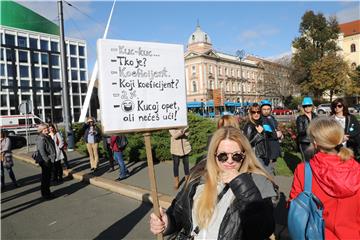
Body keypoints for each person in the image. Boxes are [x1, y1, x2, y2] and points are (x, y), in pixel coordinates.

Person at [150, 127, 276, 239]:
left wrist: (241, 184)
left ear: (245, 155)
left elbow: (262, 230)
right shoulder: (198, 177)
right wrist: (167, 223)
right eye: (223, 156)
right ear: (214, 155)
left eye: (236, 156)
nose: (230, 161)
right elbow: (178, 214)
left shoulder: (257, 181)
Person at [289, 117, 360, 239]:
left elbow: (294, 206)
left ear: (315, 143)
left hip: (316, 235)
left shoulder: (304, 171)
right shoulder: (357, 169)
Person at [243, 103, 272, 174]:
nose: (256, 114)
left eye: (258, 112)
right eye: (253, 112)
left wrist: (265, 133)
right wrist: (259, 134)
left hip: (263, 155)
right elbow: (247, 144)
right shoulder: (249, 125)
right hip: (256, 156)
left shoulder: (260, 123)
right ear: (250, 113)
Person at [260, 100, 283, 174]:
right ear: (261, 110)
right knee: (268, 168)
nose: (266, 111)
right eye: (264, 109)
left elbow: (275, 128)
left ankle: (272, 182)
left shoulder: (271, 117)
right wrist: (277, 135)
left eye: (268, 109)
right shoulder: (262, 119)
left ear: (270, 109)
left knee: (273, 167)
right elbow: (267, 133)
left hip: (275, 145)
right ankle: (269, 183)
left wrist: (281, 135)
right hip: (269, 147)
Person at [36, 123, 56, 200]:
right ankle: (45, 194)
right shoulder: (41, 138)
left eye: (47, 128)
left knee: (47, 177)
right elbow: (42, 151)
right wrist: (47, 160)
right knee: (46, 178)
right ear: (41, 130)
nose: (47, 129)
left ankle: (47, 192)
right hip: (45, 161)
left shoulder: (48, 136)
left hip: (49, 159)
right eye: (45, 128)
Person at [296, 97, 317, 161]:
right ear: (303, 107)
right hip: (305, 142)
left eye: (309, 105)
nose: (307, 107)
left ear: (312, 106)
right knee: (307, 162)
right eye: (305, 106)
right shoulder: (300, 118)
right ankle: (307, 171)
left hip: (315, 142)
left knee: (315, 161)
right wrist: (309, 128)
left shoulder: (315, 116)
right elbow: (300, 131)